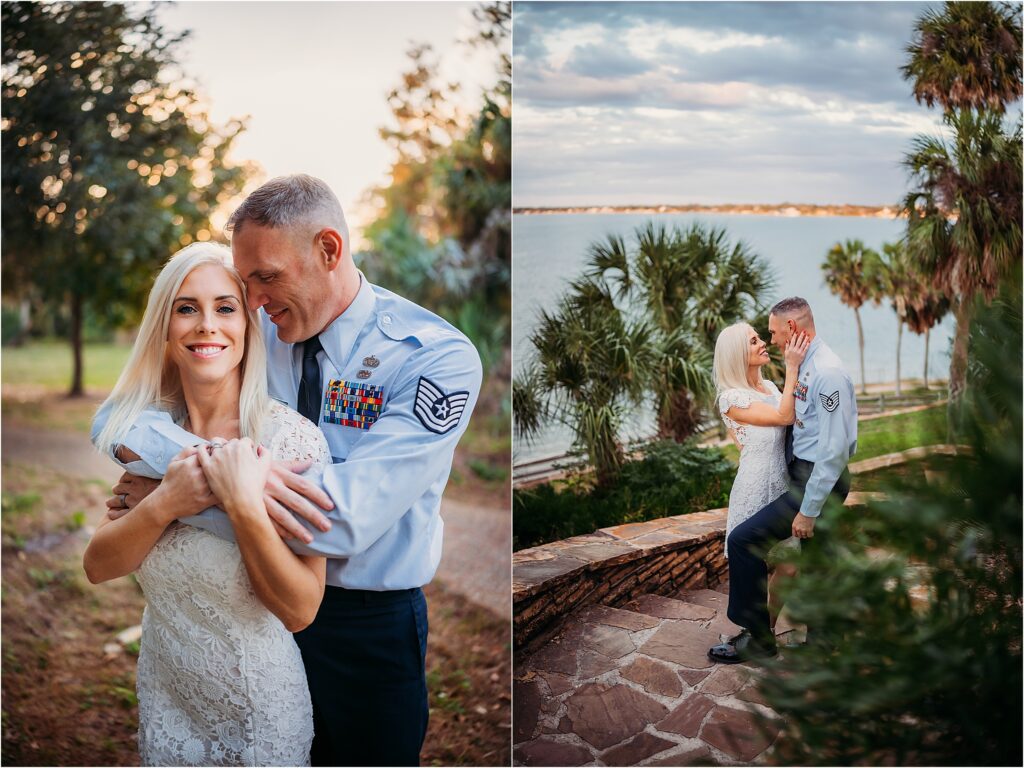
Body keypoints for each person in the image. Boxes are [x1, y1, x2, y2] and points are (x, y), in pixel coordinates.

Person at [91, 175, 483, 766]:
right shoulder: (254, 326)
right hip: (250, 605)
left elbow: (340, 519)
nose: (249, 300)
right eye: (244, 282)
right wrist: (196, 474)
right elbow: (118, 423)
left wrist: (182, 496)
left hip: (364, 628)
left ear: (329, 250)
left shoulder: (434, 358)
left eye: (265, 277)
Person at [84, 242, 331, 765]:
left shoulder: (292, 445)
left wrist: (242, 505)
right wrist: (167, 503)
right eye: (186, 308)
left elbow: (301, 609)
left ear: (248, 324)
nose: (206, 325)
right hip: (166, 702)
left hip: (256, 717)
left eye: (225, 307)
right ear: (165, 325)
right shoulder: (151, 443)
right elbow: (98, 565)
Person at [708, 297, 857, 664]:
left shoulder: (827, 372)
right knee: (819, 561)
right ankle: (823, 644)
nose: (771, 341)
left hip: (814, 480)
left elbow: (836, 449)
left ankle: (761, 639)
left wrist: (808, 508)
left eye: (772, 333)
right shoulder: (802, 366)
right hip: (794, 476)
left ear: (791, 328)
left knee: (744, 541)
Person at [712, 321, 809, 632]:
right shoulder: (731, 398)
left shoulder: (769, 388)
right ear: (739, 354)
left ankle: (764, 627)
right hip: (753, 487)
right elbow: (784, 416)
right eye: (754, 341)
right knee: (751, 562)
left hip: (781, 483)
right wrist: (792, 365)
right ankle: (752, 630)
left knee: (790, 564)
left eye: (759, 338)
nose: (762, 343)